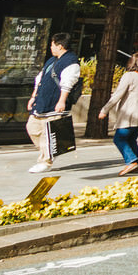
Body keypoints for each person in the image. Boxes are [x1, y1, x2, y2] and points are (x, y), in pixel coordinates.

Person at [25, 33, 81, 173]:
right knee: (32, 128)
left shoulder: (71, 62)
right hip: (42, 102)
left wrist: (62, 101)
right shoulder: (51, 60)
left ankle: (45, 161)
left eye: (52, 45)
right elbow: (40, 79)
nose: (51, 47)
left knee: (48, 134)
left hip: (54, 103)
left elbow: (68, 82)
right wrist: (33, 97)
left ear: (60, 46)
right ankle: (48, 153)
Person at [99, 51, 138, 175]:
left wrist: (105, 110)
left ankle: (132, 161)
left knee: (119, 139)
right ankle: (136, 165)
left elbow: (118, 94)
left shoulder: (129, 76)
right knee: (132, 139)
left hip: (130, 113)